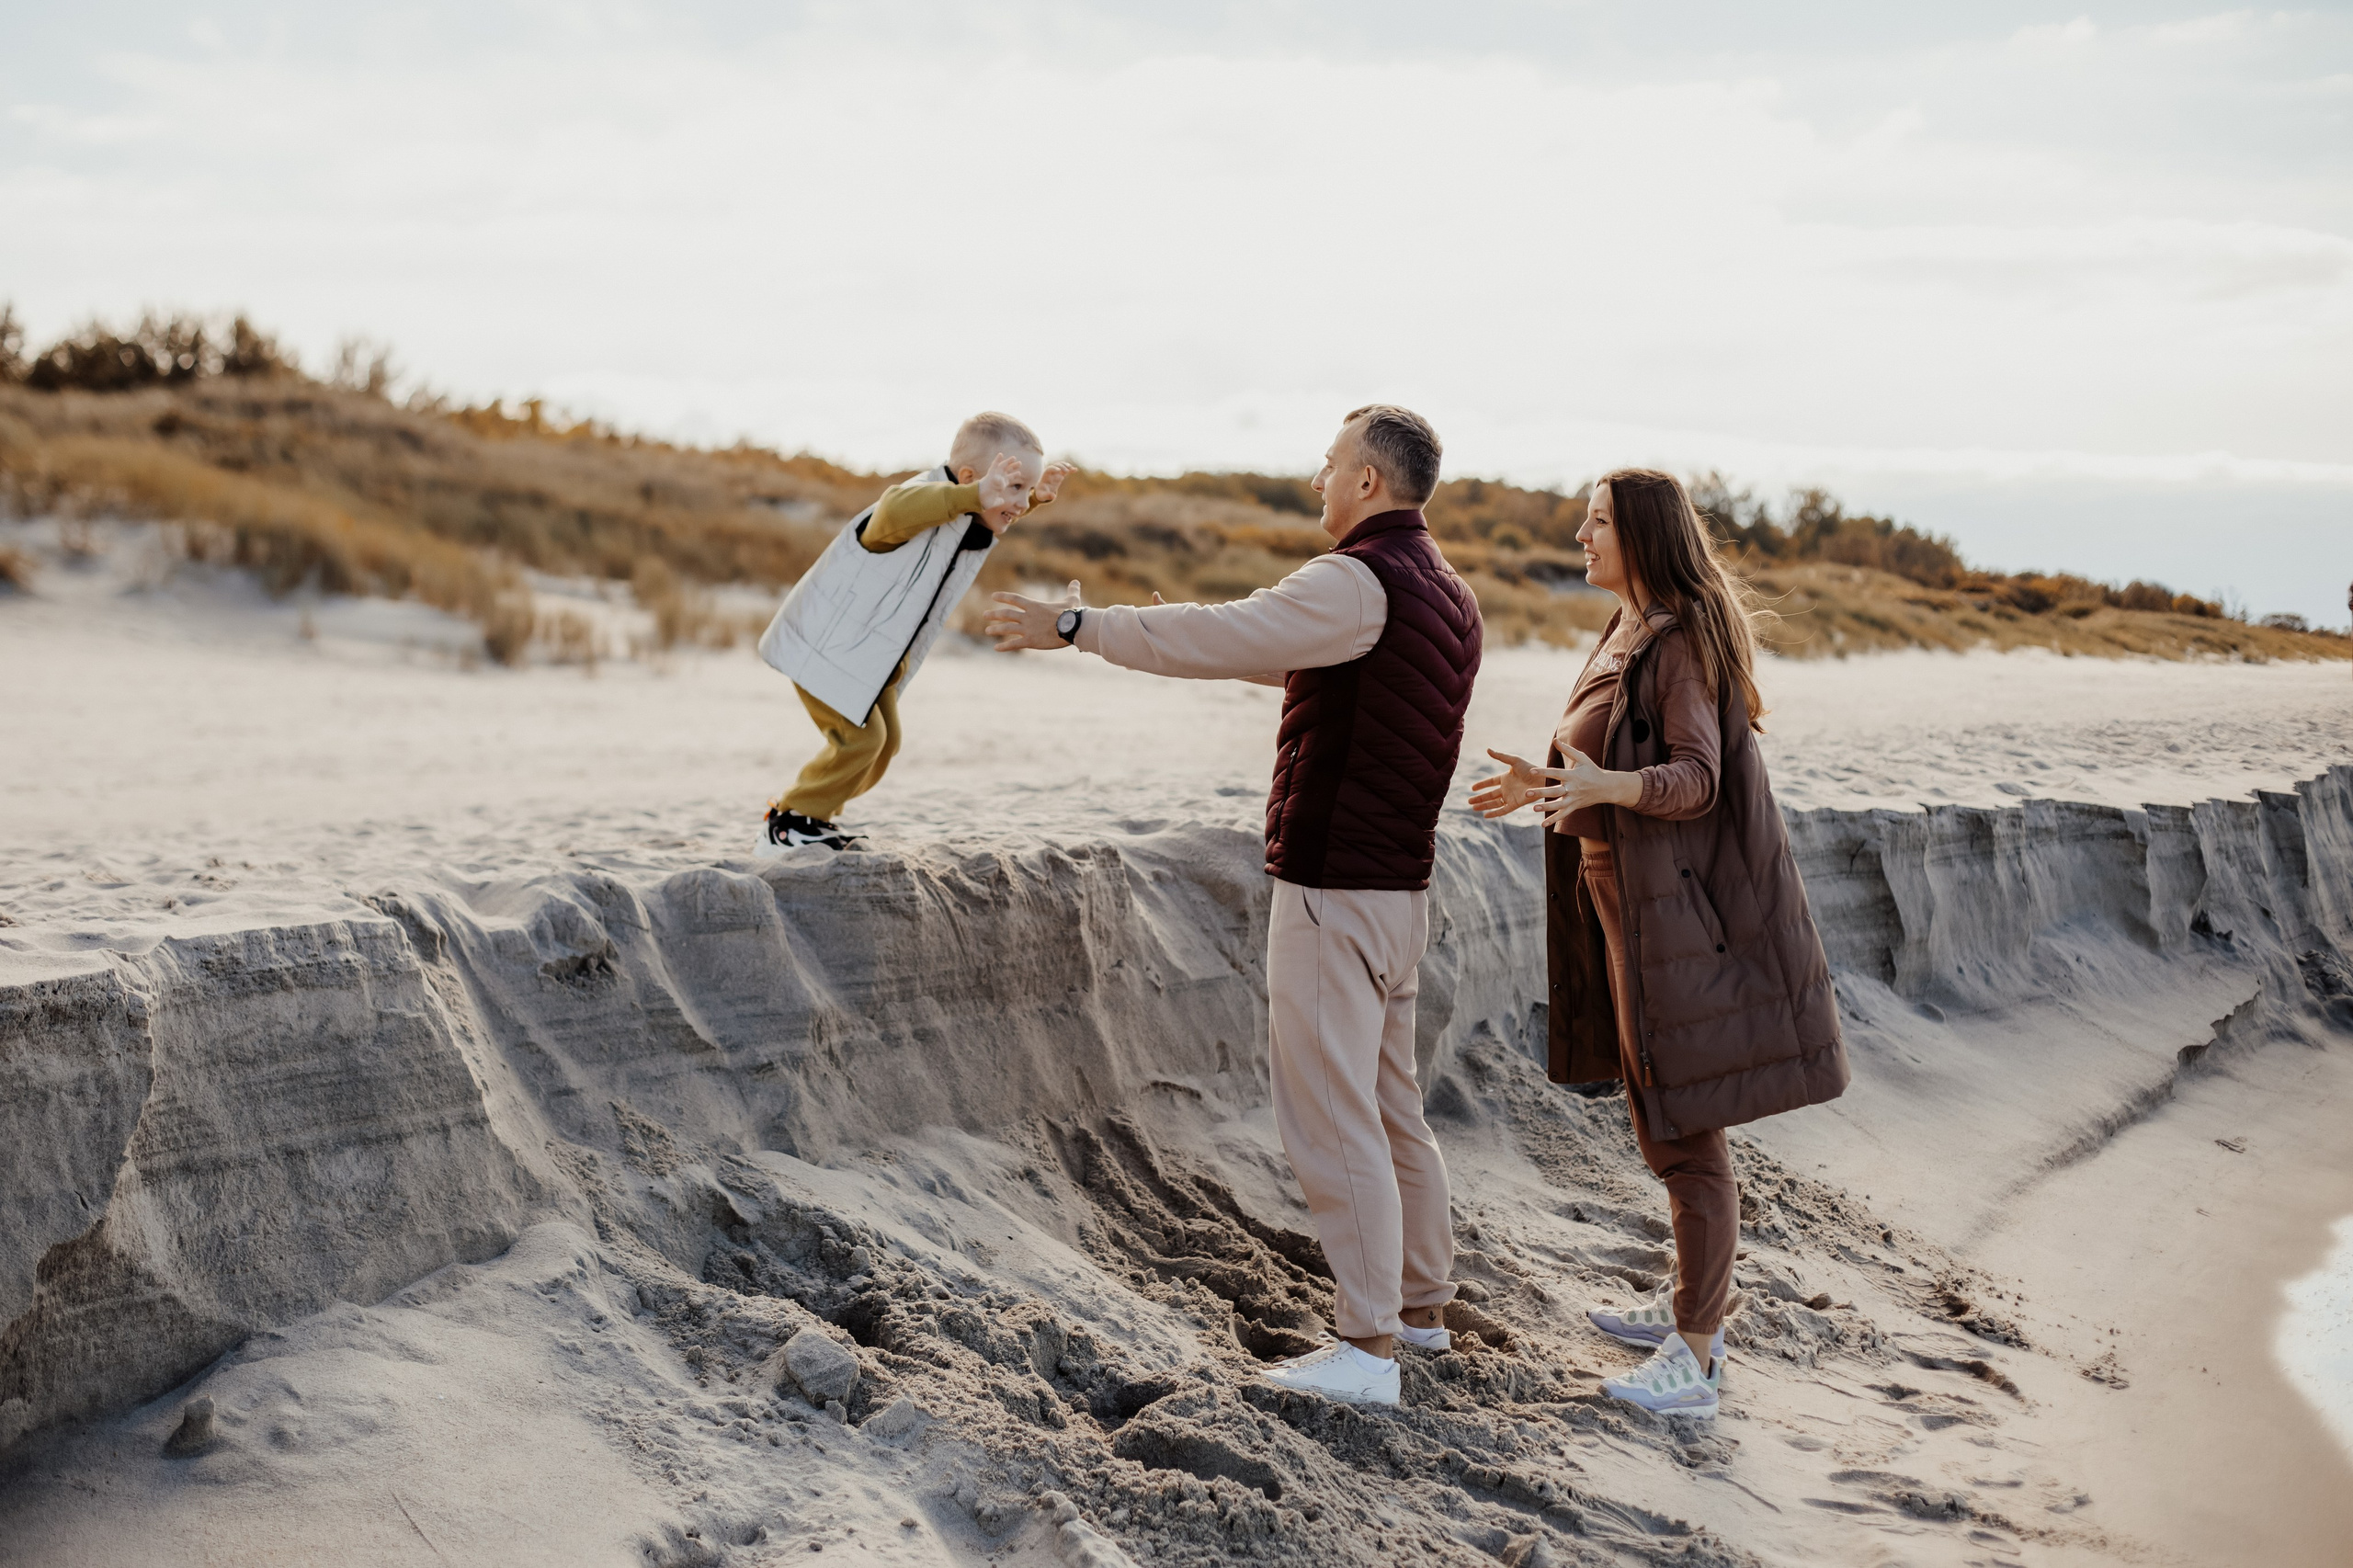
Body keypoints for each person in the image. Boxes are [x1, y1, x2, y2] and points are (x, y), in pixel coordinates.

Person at [984, 405, 1483, 1406]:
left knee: (1331, 1113)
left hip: (1333, 892)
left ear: (1370, 483)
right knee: (1391, 1110)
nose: (1319, 480)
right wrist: (1162, 631)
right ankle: (1418, 1316)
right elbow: (1285, 651)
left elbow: (1230, 631)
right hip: (1397, 894)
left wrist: (1077, 625)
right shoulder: (1446, 592)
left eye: (1332, 464)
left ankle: (1367, 1347)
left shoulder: (1355, 575)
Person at [1470, 468, 1847, 1420]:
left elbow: (1695, 780)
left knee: (1684, 1132)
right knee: (1658, 1117)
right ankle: (1689, 1308)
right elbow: (1604, 754)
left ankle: (1697, 1355)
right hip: (1621, 904)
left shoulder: (1677, 640)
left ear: (1638, 533)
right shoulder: (1628, 626)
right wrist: (1549, 785)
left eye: (1594, 522)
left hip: (1669, 914)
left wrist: (1604, 791)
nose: (1578, 537)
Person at [756, 413, 1074, 849]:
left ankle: (813, 819)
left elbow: (980, 517)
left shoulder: (966, 521)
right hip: (830, 646)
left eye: (1027, 490)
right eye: (1014, 487)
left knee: (885, 746)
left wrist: (1032, 499)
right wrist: (978, 495)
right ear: (967, 479)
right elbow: (898, 509)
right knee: (862, 741)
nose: (1020, 502)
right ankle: (789, 821)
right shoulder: (916, 501)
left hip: (872, 658)